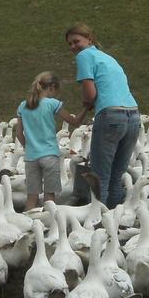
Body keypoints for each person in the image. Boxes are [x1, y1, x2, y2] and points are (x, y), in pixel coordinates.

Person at [65, 22, 140, 208]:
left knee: (100, 176)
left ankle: (98, 221)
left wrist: (86, 103)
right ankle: (115, 222)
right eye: (70, 44)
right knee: (117, 175)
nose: (73, 47)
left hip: (111, 116)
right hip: (133, 116)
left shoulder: (84, 56)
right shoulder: (108, 58)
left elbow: (90, 94)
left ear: (89, 39)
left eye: (76, 41)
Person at [15, 72, 89, 210]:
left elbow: (19, 134)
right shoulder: (52, 104)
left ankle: (29, 226)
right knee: (50, 199)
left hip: (31, 158)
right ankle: (49, 227)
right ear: (52, 87)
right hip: (49, 156)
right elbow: (75, 122)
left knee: (31, 198)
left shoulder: (23, 106)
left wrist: (29, 148)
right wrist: (86, 108)